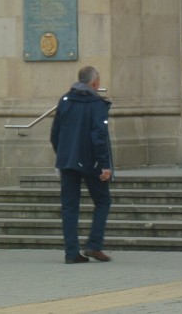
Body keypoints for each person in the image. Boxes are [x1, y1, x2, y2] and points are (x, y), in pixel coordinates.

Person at [50, 66, 113, 264]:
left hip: (67, 161)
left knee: (69, 207)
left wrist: (62, 155)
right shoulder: (97, 104)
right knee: (103, 201)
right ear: (94, 83)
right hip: (91, 161)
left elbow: (55, 134)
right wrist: (104, 165)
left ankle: (71, 252)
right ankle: (94, 244)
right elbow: (99, 136)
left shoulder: (65, 100)